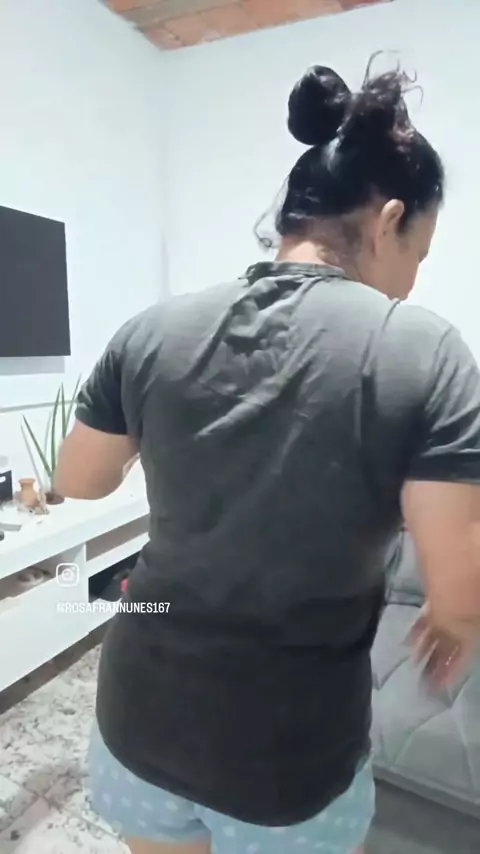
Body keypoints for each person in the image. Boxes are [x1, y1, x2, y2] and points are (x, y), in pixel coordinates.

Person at [55, 59, 480, 854]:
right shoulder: (426, 352)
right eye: (418, 253)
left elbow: (78, 480)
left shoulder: (152, 331)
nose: (412, 279)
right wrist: (455, 619)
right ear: (388, 222)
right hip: (287, 764)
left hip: (137, 725)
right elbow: (456, 585)